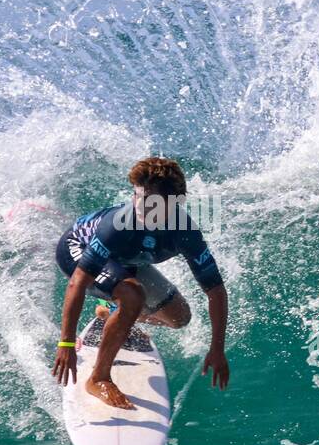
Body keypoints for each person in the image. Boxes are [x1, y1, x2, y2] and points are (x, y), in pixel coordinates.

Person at [52, 157, 229, 409]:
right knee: (133, 295)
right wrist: (66, 343)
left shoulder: (186, 233)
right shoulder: (117, 226)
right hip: (77, 250)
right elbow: (78, 283)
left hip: (126, 260)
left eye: (149, 202)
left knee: (179, 317)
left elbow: (216, 291)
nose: (139, 206)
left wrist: (217, 349)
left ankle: (113, 314)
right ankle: (99, 378)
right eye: (137, 196)